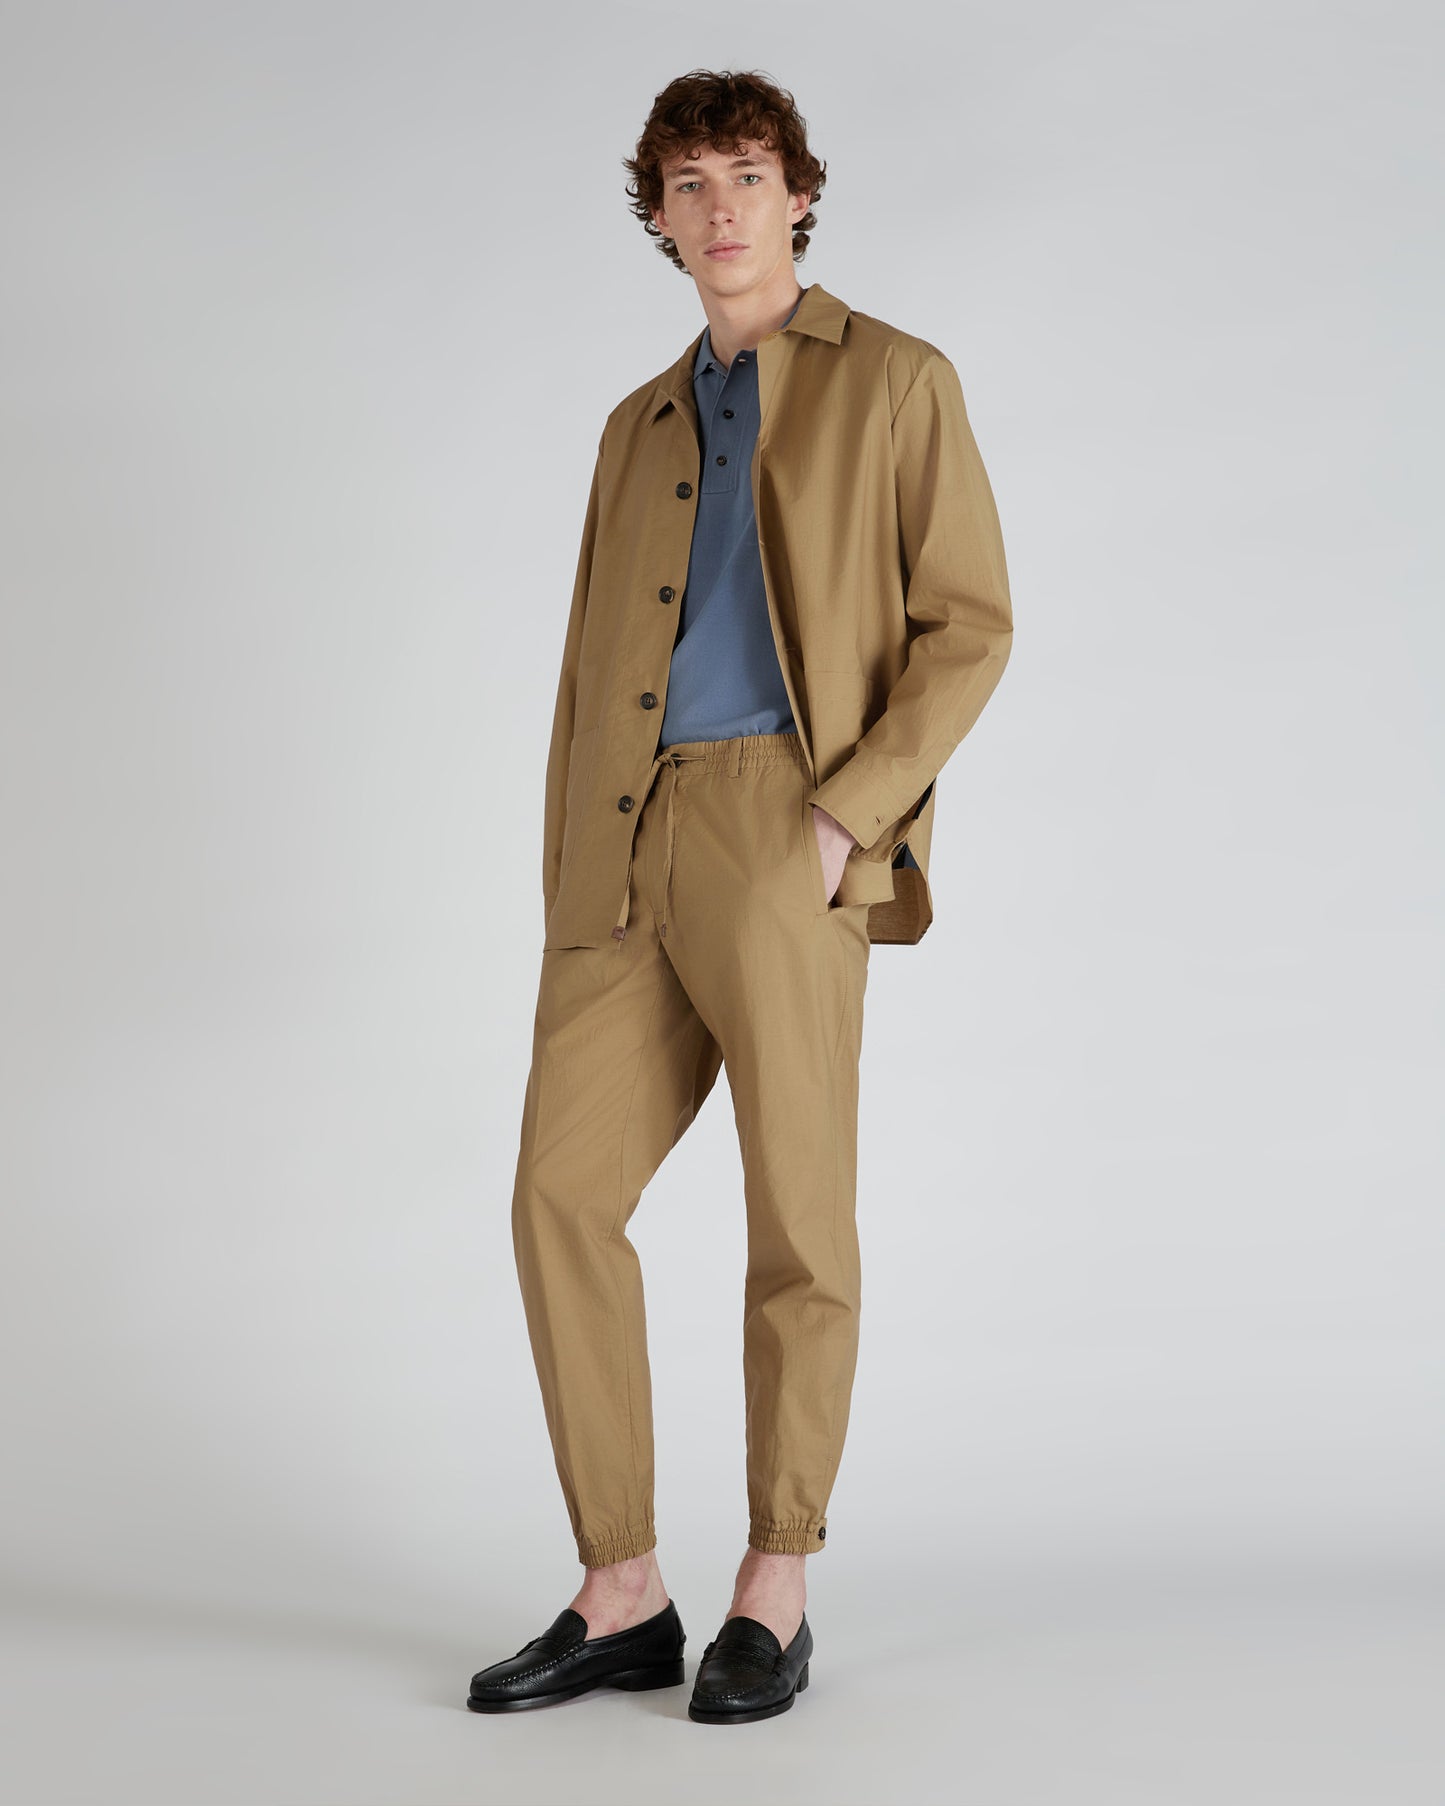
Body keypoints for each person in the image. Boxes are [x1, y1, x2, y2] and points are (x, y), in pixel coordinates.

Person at [467, 67, 1013, 1724]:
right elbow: (587, 670)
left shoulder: (894, 379)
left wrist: (845, 818)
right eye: (689, 182)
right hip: (628, 837)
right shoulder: (635, 425)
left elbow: (969, 625)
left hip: (789, 817)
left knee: (796, 1216)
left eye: (748, 174)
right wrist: (576, 865)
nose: (720, 208)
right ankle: (621, 1587)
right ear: (657, 214)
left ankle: (775, 1579)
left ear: (799, 195)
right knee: (557, 1194)